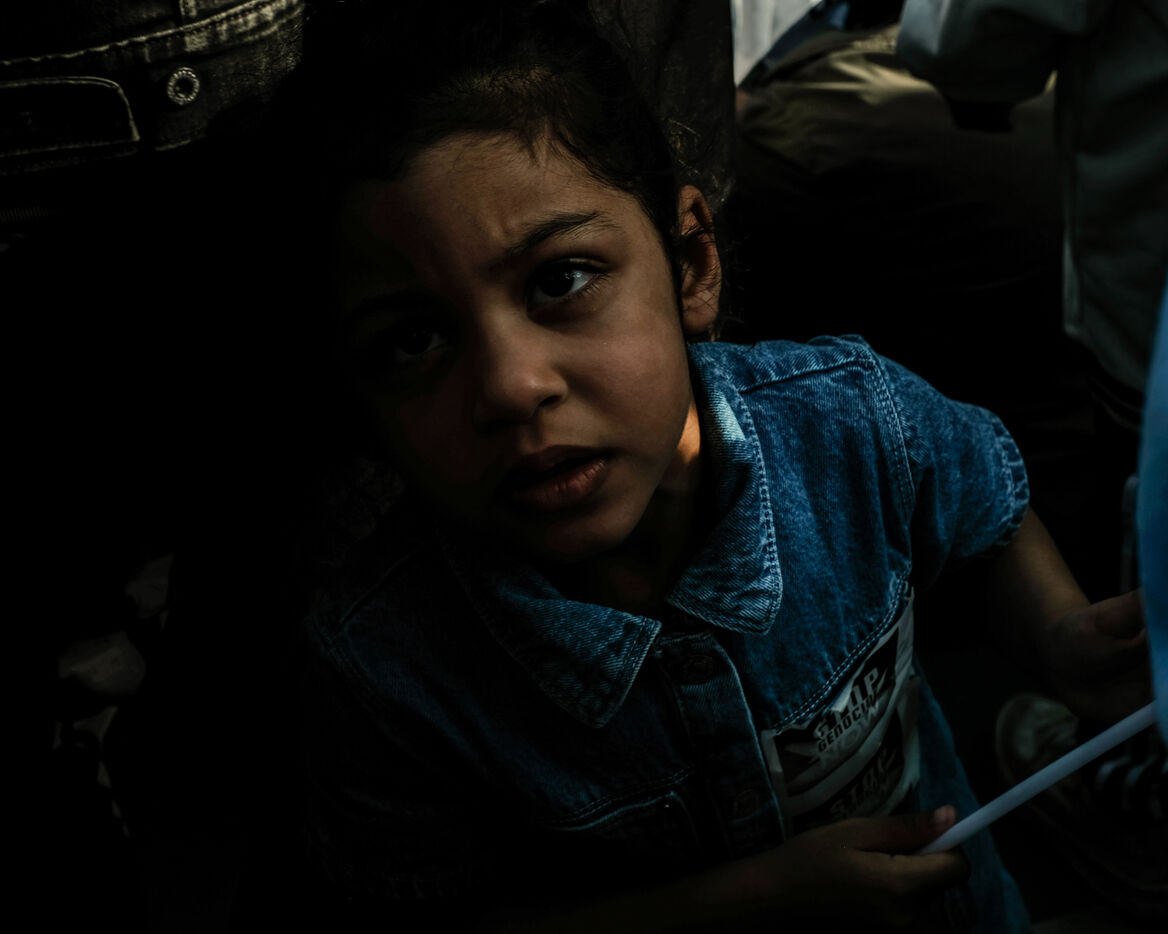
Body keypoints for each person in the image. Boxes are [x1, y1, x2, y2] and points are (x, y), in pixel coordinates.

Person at [288, 2, 1151, 930]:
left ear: (691, 262)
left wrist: (1057, 635)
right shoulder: (386, 677)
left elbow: (981, 512)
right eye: (414, 340)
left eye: (559, 280)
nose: (509, 386)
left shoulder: (853, 420)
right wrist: (738, 902)